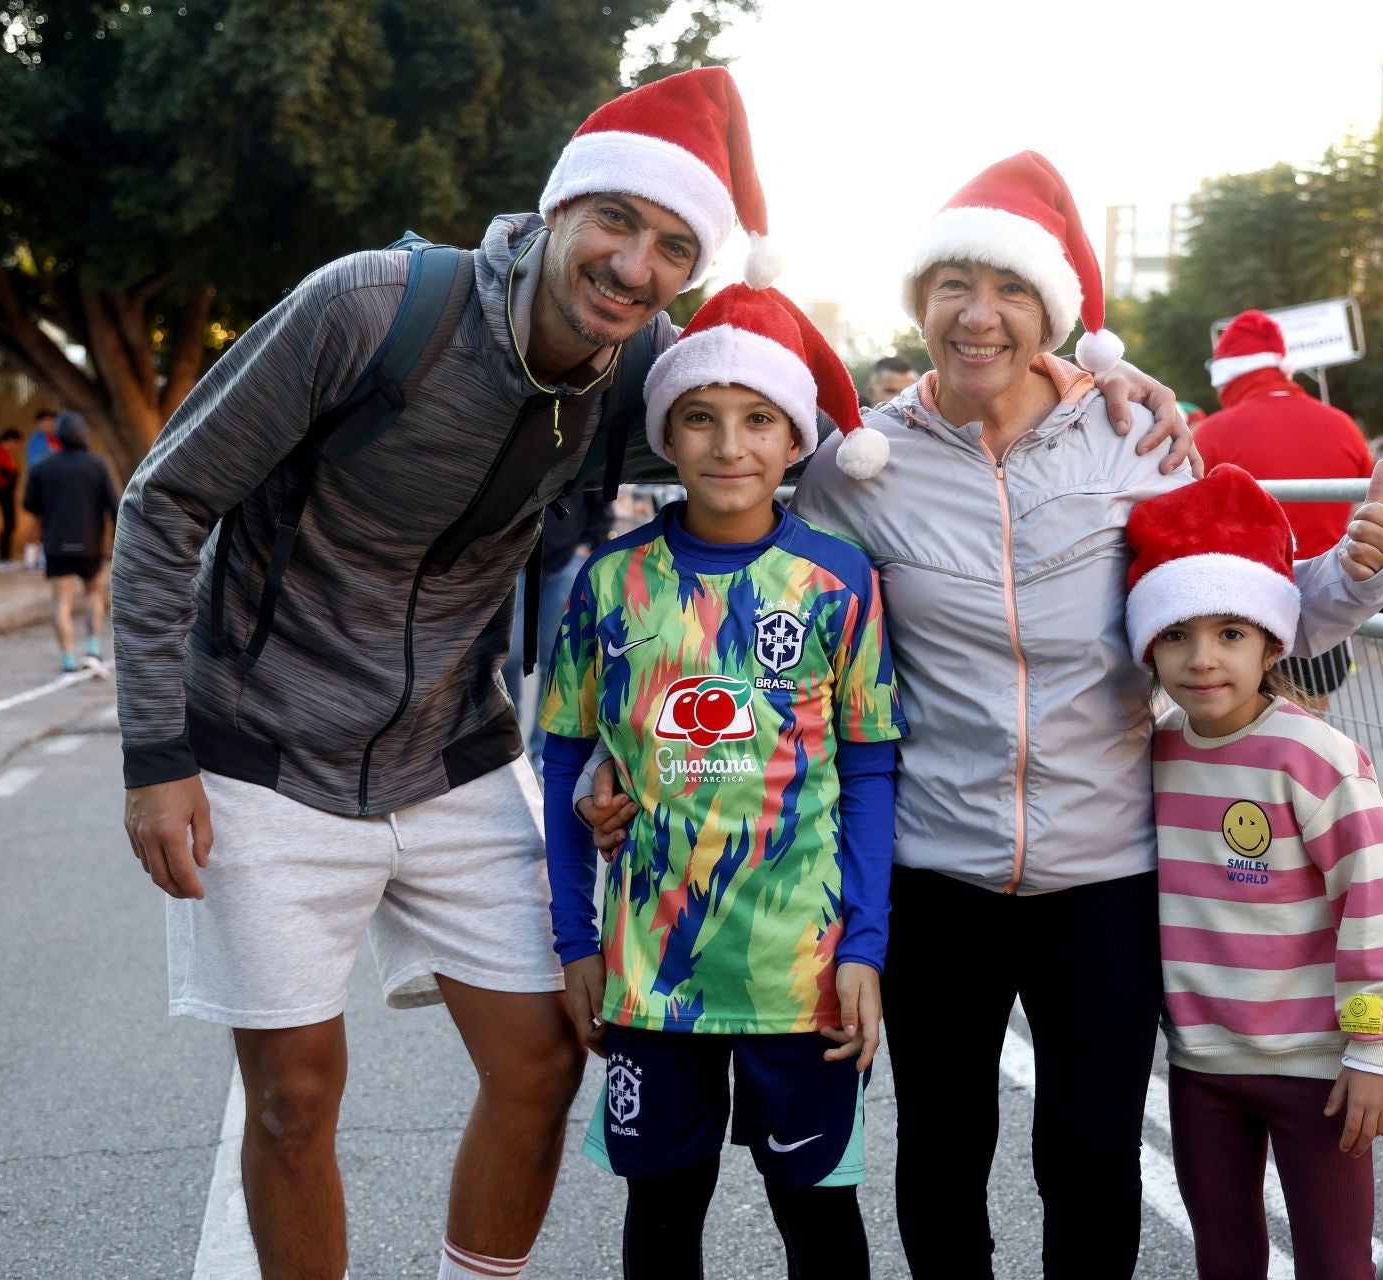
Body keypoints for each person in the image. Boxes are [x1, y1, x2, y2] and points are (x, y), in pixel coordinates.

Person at [113, 71, 1190, 1279]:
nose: (634, 264)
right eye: (616, 223)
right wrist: (158, 753)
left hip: (453, 754)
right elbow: (166, 502)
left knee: (540, 1060)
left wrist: (1110, 375)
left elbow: (798, 411)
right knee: (294, 1098)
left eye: (672, 245)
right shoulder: (371, 307)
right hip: (268, 752)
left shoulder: (646, 373)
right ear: (560, 207)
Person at [582, 151, 1383, 1280]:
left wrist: (1350, 576)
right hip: (935, 867)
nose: (981, 316)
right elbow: (735, 568)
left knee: (1091, 1152)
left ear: (1050, 311)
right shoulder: (857, 466)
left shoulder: (1138, 442)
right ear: (919, 302)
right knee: (942, 1155)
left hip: (1104, 869)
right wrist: (624, 767)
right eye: (953, 286)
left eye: (1011, 289)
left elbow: (1252, 606)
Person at [540, 284, 903, 1280]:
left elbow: (870, 768)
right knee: (661, 1222)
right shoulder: (609, 583)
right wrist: (577, 939)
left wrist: (864, 944)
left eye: (758, 419)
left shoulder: (840, 578)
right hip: (652, 973)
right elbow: (566, 753)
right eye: (699, 417)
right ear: (668, 432)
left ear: (797, 441)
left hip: (804, 971)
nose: (728, 444)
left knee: (821, 1226)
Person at [1125, 463, 1383, 1280]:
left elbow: (1375, 911)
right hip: (1203, 1068)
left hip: (1316, 1070)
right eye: (1176, 635)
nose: (1202, 660)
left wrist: (1373, 1050)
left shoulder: (1313, 756)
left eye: (1230, 633)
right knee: (1224, 1259)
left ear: (1271, 642)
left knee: (1334, 1264)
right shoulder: (1154, 753)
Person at [1195, 310, 1374, 709]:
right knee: (1309, 740)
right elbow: (1361, 516)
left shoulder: (1212, 432)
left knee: (1241, 745)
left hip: (1242, 616)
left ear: (1226, 375)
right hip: (1322, 611)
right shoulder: (1343, 425)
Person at [498, 489, 615, 769]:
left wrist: (587, 547)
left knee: (557, 662)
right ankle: (506, 746)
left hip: (564, 561)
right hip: (515, 562)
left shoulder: (579, 447)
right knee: (507, 655)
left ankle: (544, 752)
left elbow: (601, 498)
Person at [24, 411, 118, 673]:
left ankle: (67, 659)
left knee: (61, 602)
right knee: (94, 594)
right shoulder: (98, 464)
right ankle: (93, 650)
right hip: (90, 544)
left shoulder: (43, 466)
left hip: (55, 544)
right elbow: (115, 504)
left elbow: (29, 504)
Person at [22, 409, 58, 568]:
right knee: (39, 521)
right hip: (41, 487)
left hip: (54, 486)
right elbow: (35, 464)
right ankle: (30, 559)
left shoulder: (56, 439)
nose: (50, 424)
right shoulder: (36, 440)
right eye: (46, 421)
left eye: (52, 421)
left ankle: (44, 558)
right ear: (39, 423)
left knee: (49, 523)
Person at [0, 427, 23, 569]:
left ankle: (6, 557)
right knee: (9, 525)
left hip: (8, 492)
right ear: (11, 440)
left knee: (10, 524)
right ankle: (3, 558)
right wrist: (13, 472)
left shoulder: (3, 452)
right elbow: (3, 472)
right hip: (4, 492)